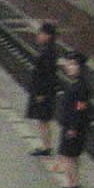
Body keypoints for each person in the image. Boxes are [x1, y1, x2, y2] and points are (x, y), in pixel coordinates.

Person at [53, 51, 92, 188]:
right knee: (72, 156)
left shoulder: (80, 87)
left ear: (80, 67)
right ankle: (74, 184)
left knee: (68, 156)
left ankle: (71, 185)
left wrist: (73, 127)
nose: (69, 67)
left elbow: (80, 109)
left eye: (73, 64)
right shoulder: (78, 84)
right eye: (69, 64)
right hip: (72, 126)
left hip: (73, 127)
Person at [26, 23, 60, 156]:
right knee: (42, 120)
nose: (38, 36)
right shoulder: (48, 50)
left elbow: (46, 75)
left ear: (48, 36)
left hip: (43, 92)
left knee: (43, 120)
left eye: (41, 33)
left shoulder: (47, 53)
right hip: (44, 91)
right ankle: (45, 145)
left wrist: (41, 93)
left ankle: (46, 147)